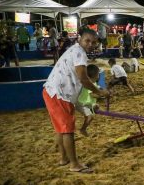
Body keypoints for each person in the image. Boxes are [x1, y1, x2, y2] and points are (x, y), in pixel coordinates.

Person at [42, 28, 110, 173]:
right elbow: (83, 79)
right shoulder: (79, 53)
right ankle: (74, 164)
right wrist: (99, 92)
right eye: (87, 40)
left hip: (51, 92)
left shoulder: (74, 49)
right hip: (61, 95)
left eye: (94, 42)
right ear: (80, 38)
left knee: (61, 129)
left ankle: (64, 159)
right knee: (68, 130)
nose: (90, 44)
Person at [75, 64, 101, 137]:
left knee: (95, 107)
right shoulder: (90, 84)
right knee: (90, 116)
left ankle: (92, 109)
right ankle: (83, 129)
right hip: (81, 103)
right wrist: (100, 95)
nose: (99, 75)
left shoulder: (93, 83)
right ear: (95, 75)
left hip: (87, 103)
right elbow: (92, 95)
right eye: (98, 74)